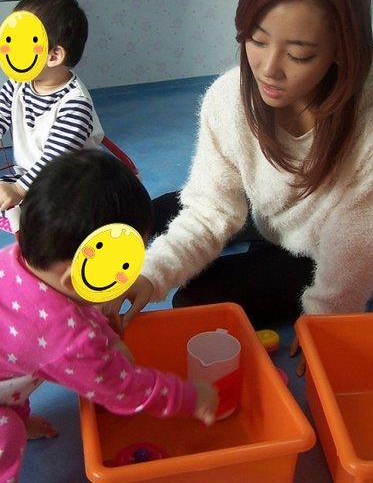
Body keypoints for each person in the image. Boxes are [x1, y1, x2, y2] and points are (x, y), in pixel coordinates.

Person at [124, 0, 373, 357]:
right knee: (145, 215)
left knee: (197, 302)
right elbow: (211, 210)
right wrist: (150, 274)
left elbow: (356, 229)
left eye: (299, 54)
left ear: (343, 50)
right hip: (267, 210)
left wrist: (328, 318)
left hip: (323, 241)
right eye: (257, 40)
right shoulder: (227, 99)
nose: (267, 69)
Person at [0, 149, 218, 483]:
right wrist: (189, 397)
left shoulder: (18, 257)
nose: (125, 278)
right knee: (7, 435)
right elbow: (123, 390)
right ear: (75, 277)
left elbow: (73, 310)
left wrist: (108, 336)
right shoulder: (68, 341)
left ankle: (16, 411)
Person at [0, 0, 104, 232]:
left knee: (43, 222)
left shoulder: (74, 104)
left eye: (20, 43)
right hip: (32, 177)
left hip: (72, 185)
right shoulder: (17, 84)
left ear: (54, 55)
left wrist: (18, 189)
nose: (7, 49)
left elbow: (55, 160)